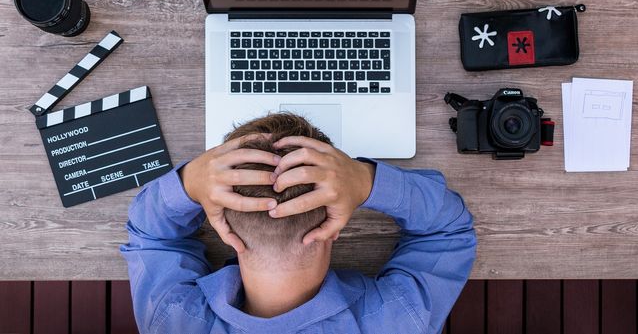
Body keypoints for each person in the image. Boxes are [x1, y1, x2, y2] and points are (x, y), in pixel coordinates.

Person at [121, 113, 476, 333]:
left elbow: (152, 236)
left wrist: (188, 184)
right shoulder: (399, 320)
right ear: (333, 229)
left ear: (223, 228)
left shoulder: (171, 321)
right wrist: (365, 181)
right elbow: (448, 228)